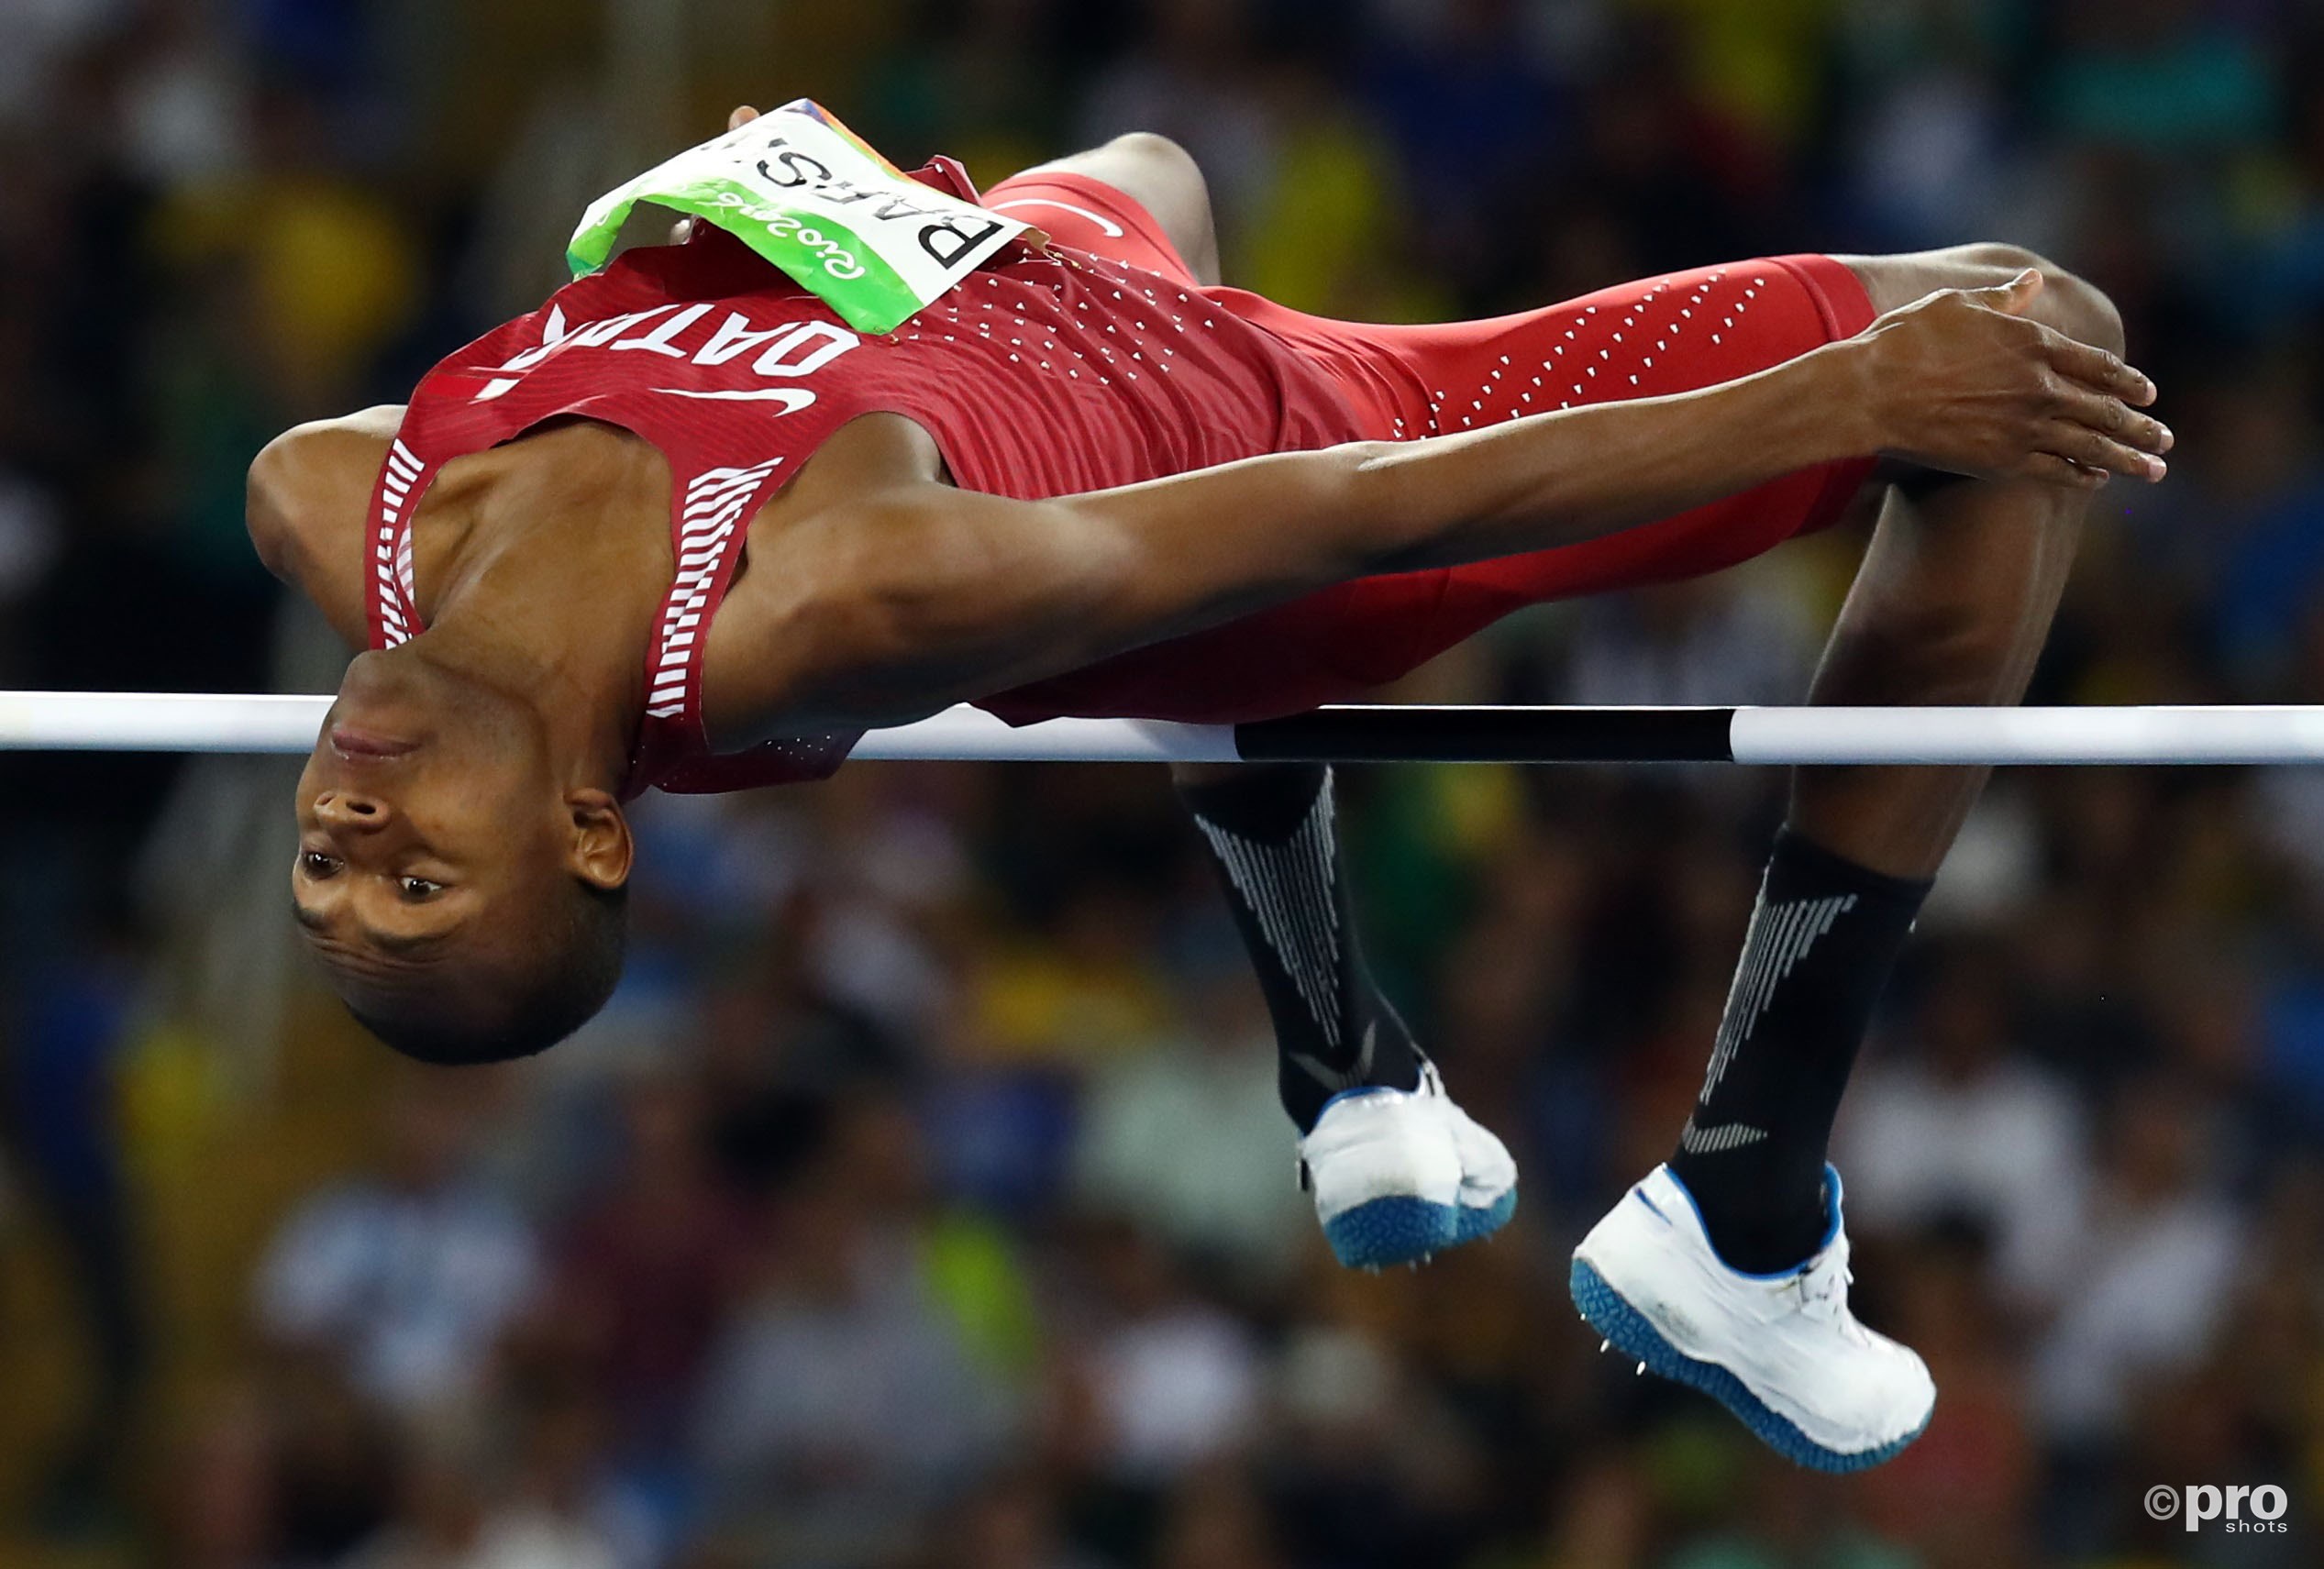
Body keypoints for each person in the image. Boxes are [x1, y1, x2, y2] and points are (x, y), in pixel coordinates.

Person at [247, 105, 2170, 1472]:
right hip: (1297, 441)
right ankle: (1744, 1211)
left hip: (1016, 288)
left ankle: (1348, 1068)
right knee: (2027, 334)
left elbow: (681, 322)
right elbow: (1360, 508)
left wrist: (734, 200)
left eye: (332, 886)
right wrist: (1859, 397)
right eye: (417, 891)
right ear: (595, 832)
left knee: (1153, 155)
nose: (348, 847)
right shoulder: (828, 595)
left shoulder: (335, 495)